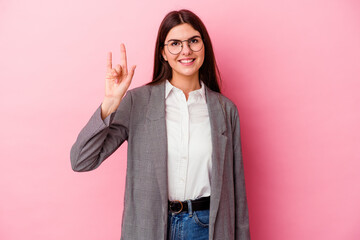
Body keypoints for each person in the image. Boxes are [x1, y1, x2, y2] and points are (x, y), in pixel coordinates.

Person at [70, 9, 250, 240]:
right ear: (163, 53)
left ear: (204, 46)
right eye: (175, 43)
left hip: (207, 229)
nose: (186, 50)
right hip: (149, 228)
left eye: (193, 41)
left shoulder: (225, 110)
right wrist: (111, 103)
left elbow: (238, 194)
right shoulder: (138, 102)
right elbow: (81, 160)